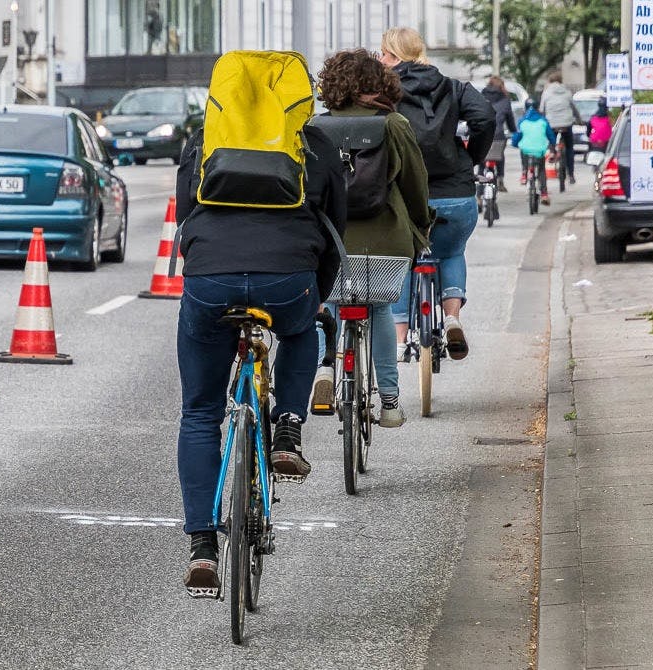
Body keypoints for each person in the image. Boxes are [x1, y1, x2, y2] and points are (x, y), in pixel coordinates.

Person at [174, 64, 347, 594]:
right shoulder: (313, 146)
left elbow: (185, 219)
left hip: (209, 284)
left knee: (200, 412)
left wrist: (207, 269)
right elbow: (333, 229)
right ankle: (289, 426)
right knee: (301, 332)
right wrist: (313, 297)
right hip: (288, 282)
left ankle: (203, 543)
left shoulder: (203, 141)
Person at [309, 49, 431, 428]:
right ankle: (391, 403)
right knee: (378, 308)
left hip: (329, 238)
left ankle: (325, 369)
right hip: (386, 240)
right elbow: (415, 184)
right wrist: (421, 228)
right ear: (379, 84)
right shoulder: (394, 124)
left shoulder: (314, 127)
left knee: (327, 303)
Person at [377, 27, 495, 362]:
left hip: (403, 197)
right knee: (452, 251)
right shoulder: (452, 86)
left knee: (399, 261)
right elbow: (485, 116)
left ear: (394, 56)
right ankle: (453, 318)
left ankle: (400, 338)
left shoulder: (385, 93)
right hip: (455, 193)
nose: (380, 60)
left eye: (383, 54)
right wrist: (471, 157)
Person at [512, 98, 556, 205]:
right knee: (541, 170)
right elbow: (551, 136)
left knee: (523, 149)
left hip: (526, 151)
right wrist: (553, 146)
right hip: (539, 150)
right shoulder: (543, 121)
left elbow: (517, 136)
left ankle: (524, 173)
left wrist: (515, 144)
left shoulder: (522, 121)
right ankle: (544, 194)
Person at [539, 71, 580, 184]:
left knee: (550, 138)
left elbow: (542, 109)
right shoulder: (567, 92)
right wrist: (579, 120)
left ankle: (552, 151)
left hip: (552, 123)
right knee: (570, 147)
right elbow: (574, 108)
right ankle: (571, 175)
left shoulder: (546, 93)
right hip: (566, 123)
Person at [481, 76, 517, 192]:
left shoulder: (481, 96)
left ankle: (480, 192)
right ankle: (500, 179)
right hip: (498, 134)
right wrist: (514, 131)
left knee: (481, 159)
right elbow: (510, 119)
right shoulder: (505, 99)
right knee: (499, 155)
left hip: (482, 133)